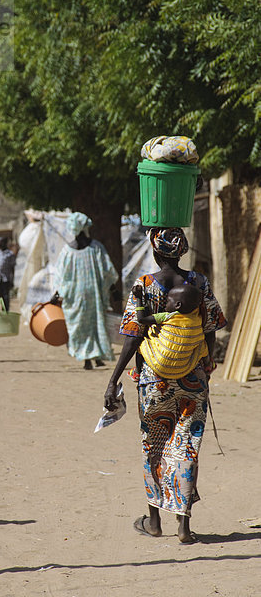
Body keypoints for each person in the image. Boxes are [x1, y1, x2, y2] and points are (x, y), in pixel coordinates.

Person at [104, 227, 226, 543]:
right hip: (193, 379)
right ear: (181, 252)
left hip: (153, 381)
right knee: (187, 448)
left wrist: (113, 379)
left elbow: (132, 337)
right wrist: (207, 366)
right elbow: (211, 328)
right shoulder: (199, 284)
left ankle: (154, 521)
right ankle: (184, 526)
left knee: (154, 446)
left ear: (155, 252)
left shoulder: (144, 285)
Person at [51, 212, 119, 370]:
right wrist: (113, 290)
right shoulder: (96, 247)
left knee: (80, 326)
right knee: (96, 324)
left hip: (76, 296)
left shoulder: (67, 251)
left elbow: (61, 277)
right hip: (94, 294)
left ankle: (88, 359)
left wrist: (57, 294)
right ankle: (95, 357)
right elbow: (107, 271)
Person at [131, 283, 210, 380]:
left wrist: (138, 298)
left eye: (168, 301)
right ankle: (208, 365)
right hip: (182, 369)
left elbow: (142, 319)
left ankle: (137, 372)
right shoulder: (197, 319)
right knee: (202, 345)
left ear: (177, 305)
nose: (165, 304)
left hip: (160, 365)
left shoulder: (167, 316)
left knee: (142, 343)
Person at [0, 236, 16, 311]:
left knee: (5, 297)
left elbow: (12, 268)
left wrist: (12, 280)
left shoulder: (10, 254)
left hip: (5, 279)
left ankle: (5, 312)